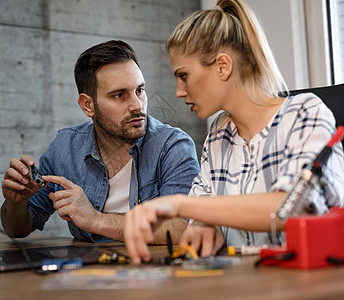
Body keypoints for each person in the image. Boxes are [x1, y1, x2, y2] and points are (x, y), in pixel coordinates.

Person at [124, 0, 344, 264]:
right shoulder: (218, 134)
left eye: (184, 75)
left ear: (222, 66)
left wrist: (179, 204)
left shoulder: (304, 112)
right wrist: (205, 227)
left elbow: (289, 209)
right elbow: (203, 213)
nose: (179, 91)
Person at [0, 40, 200, 243]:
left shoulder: (173, 146)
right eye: (120, 95)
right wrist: (16, 202)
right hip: (88, 271)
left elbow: (183, 229)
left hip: (154, 271)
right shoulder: (65, 146)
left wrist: (95, 220)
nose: (137, 105)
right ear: (88, 105)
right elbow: (19, 228)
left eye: (140, 90)